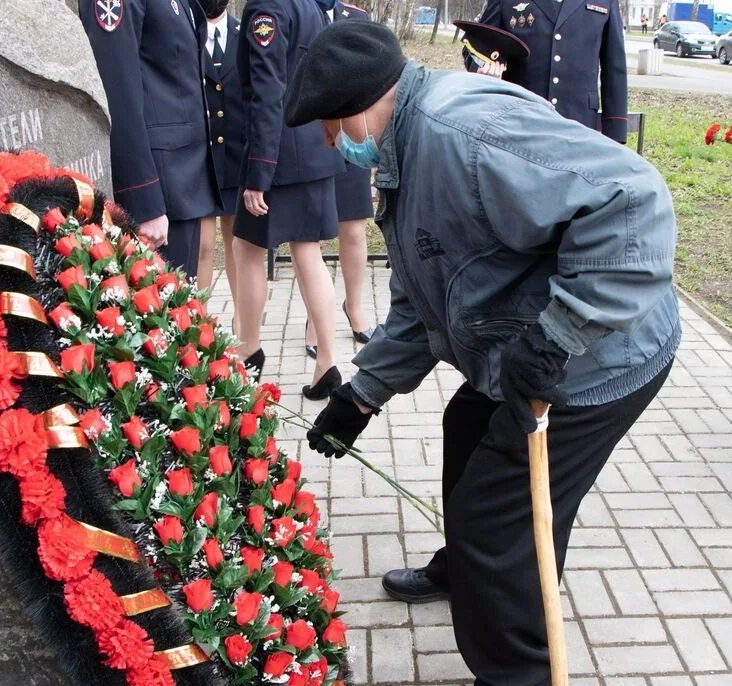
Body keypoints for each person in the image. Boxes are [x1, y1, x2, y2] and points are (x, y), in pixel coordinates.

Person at [287, 22, 680, 686]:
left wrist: (557, 337)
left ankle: (516, 669)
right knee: (466, 425)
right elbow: (425, 297)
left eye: (328, 127)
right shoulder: (410, 148)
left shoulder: (459, 134)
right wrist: (362, 395)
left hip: (602, 354)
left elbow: (635, 204)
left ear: (354, 106)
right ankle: (472, 570)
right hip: (527, 346)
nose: (330, 142)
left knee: (496, 514)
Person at [233, 0, 346, 392]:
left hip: (280, 153)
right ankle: (328, 362)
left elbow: (268, 89)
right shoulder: (310, 5)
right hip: (314, 145)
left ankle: (248, 350)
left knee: (246, 248)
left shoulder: (268, 7)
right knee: (308, 251)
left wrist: (259, 171)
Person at [80, 0, 218, 279]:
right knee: (161, 312)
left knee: (182, 312)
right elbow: (119, 95)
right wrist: (144, 202)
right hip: (157, 186)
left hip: (182, 182)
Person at [304, 0, 377, 359]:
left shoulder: (357, 18)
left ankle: (356, 306)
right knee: (312, 232)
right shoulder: (299, 13)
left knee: (353, 228)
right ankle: (314, 318)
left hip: (350, 137)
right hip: (313, 138)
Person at [471, 0, 629, 143]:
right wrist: (485, 67)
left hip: (579, 125)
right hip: (521, 123)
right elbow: (476, 45)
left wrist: (615, 135)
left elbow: (614, 66)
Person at [196, 0, 244, 323]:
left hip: (236, 155)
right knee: (201, 246)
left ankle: (244, 322)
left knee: (236, 244)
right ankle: (197, 323)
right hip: (199, 156)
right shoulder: (186, 28)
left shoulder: (246, 32)